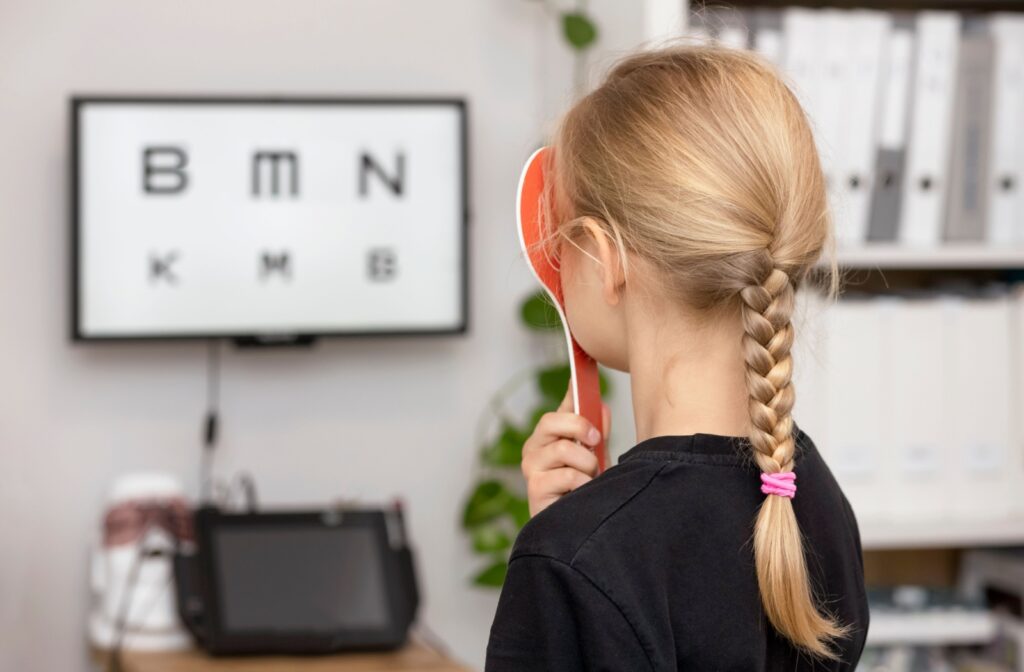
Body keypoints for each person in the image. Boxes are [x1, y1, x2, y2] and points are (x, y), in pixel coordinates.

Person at [485, 44, 868, 671]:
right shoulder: (814, 498)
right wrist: (576, 534)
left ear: (603, 259)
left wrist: (568, 547)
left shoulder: (579, 561)